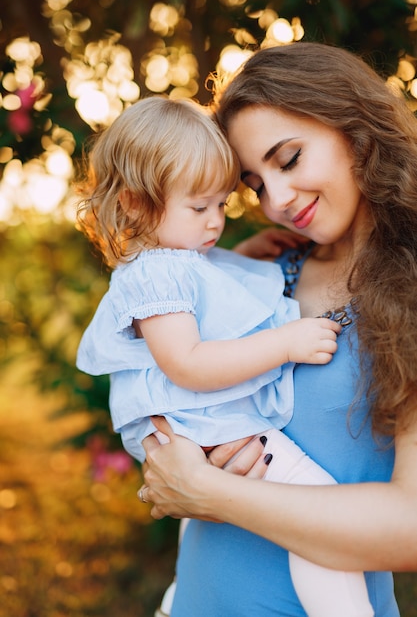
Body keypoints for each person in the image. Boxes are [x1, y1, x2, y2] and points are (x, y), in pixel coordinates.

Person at [139, 42, 417, 617]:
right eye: (256, 185)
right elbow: (165, 389)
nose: (278, 201)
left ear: (356, 130)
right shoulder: (265, 275)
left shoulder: (410, 294)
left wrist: (214, 494)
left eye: (288, 159)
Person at [75, 95, 374, 617]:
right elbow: (187, 362)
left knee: (238, 501)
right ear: (136, 205)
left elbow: (209, 284)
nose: (215, 223)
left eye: (222, 204)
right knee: (314, 503)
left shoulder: (174, 258)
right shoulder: (155, 272)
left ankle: (176, 596)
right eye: (199, 207)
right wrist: (285, 343)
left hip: (202, 428)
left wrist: (245, 257)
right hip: (204, 421)